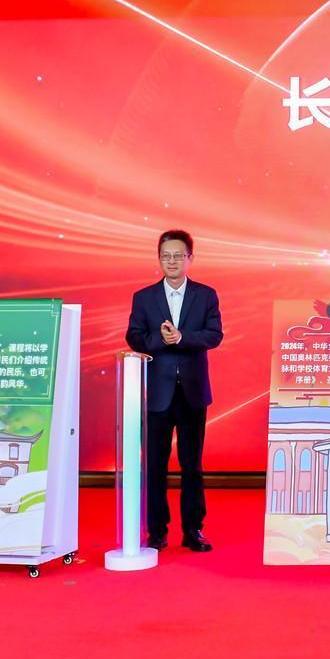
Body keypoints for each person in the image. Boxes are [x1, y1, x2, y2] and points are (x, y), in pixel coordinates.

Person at [125, 229, 224, 551]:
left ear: (190, 258)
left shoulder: (206, 295)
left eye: (178, 256)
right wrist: (161, 340)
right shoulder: (144, 297)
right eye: (166, 256)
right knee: (155, 464)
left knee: (191, 465)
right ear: (159, 258)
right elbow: (134, 337)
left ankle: (193, 530)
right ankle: (157, 531)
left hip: (193, 392)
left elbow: (214, 335)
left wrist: (182, 337)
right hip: (158, 393)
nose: (172, 261)